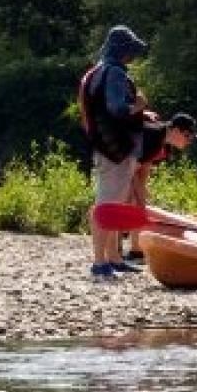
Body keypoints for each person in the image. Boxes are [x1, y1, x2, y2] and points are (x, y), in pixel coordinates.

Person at [77, 25, 149, 279]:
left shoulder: (97, 72)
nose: (133, 56)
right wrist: (139, 105)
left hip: (104, 147)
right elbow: (118, 109)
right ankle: (100, 263)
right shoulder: (115, 73)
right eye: (131, 51)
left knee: (112, 204)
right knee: (107, 205)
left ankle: (114, 259)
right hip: (115, 150)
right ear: (122, 51)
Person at [122, 112, 197, 260]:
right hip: (115, 160)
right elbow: (129, 170)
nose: (189, 141)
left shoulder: (163, 142)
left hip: (128, 164)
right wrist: (140, 198)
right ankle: (113, 252)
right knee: (125, 200)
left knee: (137, 201)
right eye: (188, 136)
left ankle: (135, 249)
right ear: (176, 130)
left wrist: (142, 193)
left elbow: (143, 168)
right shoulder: (154, 136)